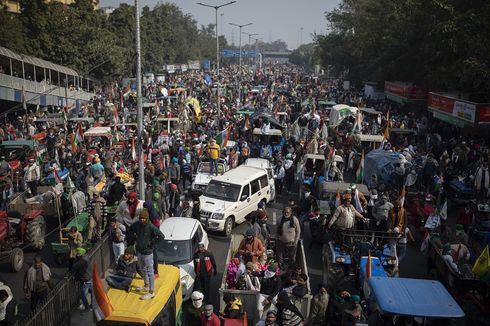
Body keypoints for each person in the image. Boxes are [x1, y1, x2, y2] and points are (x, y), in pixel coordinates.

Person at [128, 209, 165, 300]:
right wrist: (134, 237)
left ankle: (151, 292)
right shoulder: (137, 225)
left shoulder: (151, 227)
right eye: (140, 218)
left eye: (144, 218)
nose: (142, 220)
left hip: (148, 253)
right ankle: (146, 285)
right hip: (139, 252)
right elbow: (130, 229)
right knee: (142, 269)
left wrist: (151, 243)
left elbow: (161, 236)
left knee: (150, 272)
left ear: (147, 218)